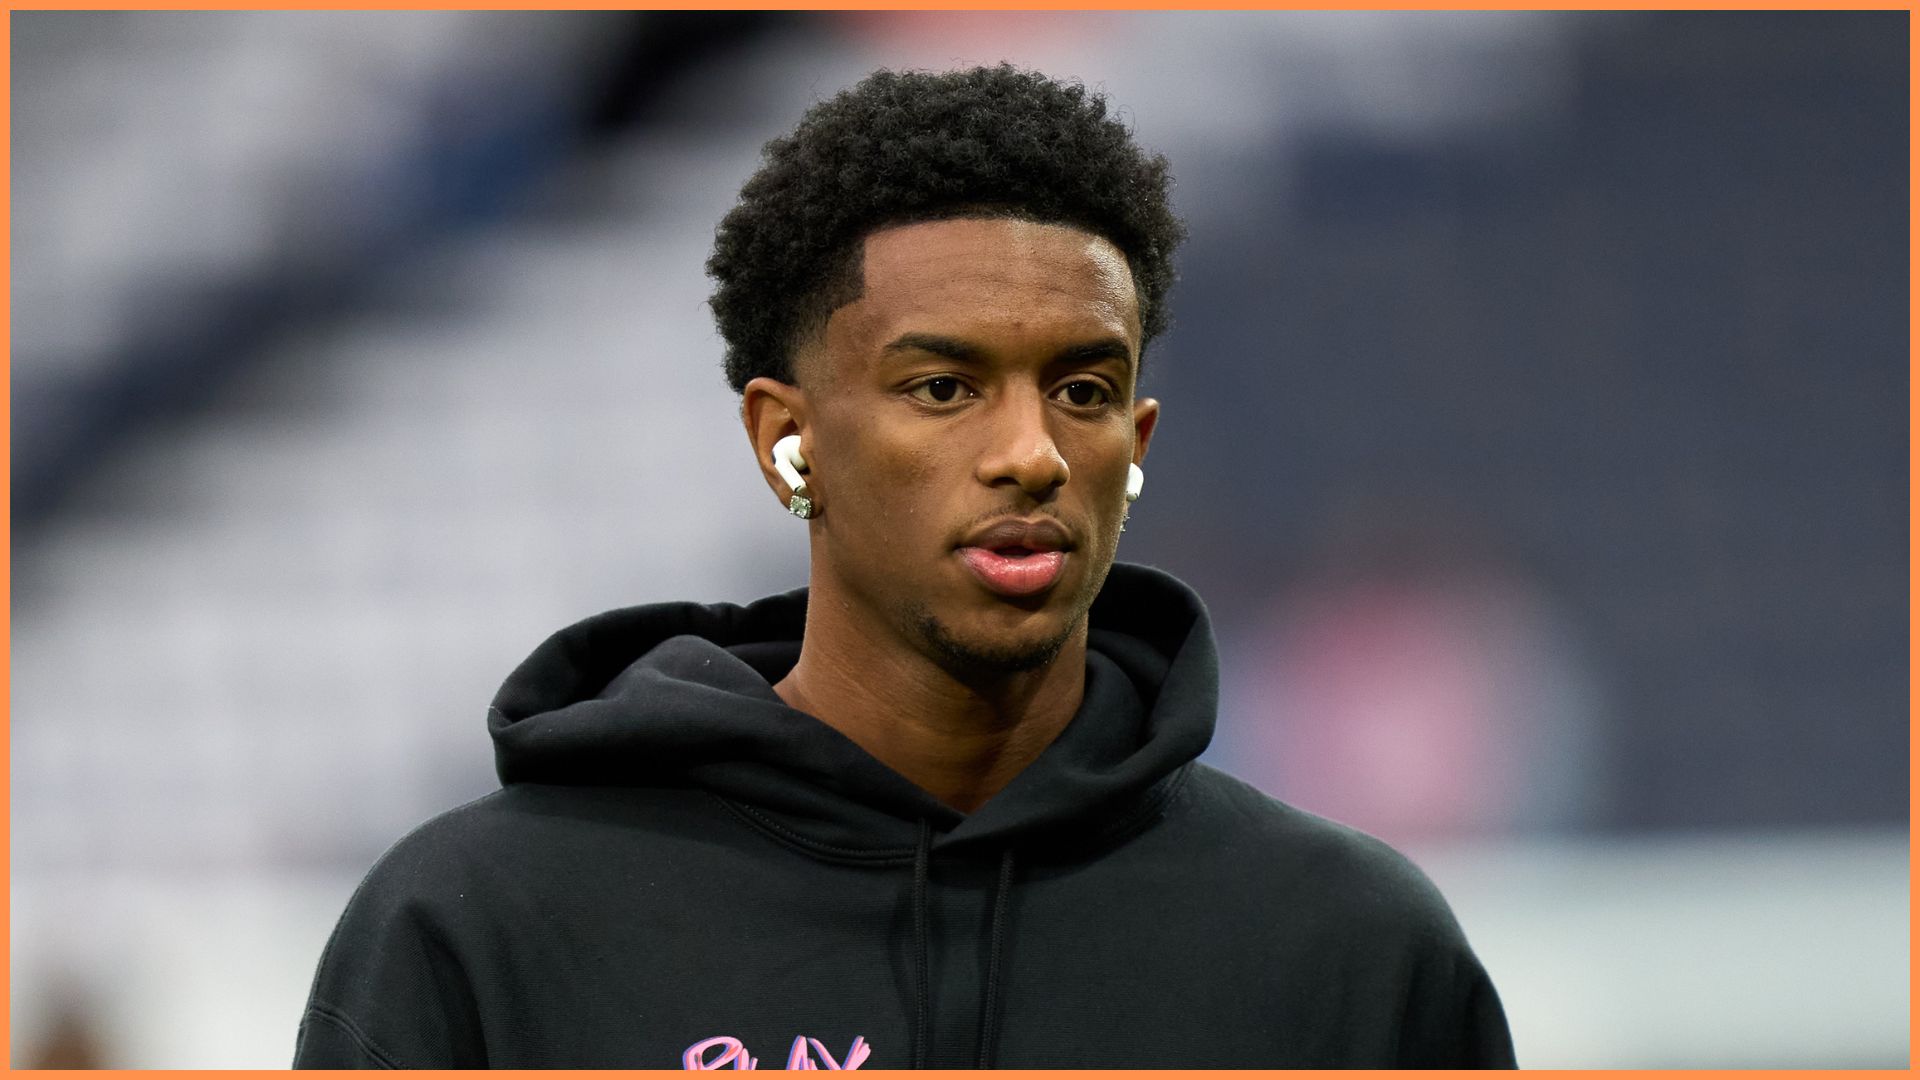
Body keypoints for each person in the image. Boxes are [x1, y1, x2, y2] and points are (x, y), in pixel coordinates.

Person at [294, 64, 1515, 1069]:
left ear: (1134, 445)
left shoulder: (1353, 954)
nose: (1030, 455)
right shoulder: (483, 925)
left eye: (1083, 391)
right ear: (789, 437)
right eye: (944, 388)